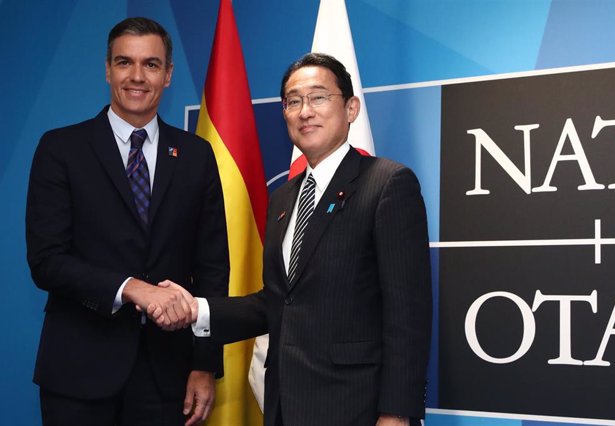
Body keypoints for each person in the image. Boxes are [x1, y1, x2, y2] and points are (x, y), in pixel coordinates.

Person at [152, 52, 432, 426]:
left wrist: (397, 413)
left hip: (356, 407)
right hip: (284, 404)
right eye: (293, 101)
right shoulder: (284, 197)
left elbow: (407, 314)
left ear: (351, 108)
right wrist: (197, 310)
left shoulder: (388, 183)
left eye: (318, 97)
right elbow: (278, 302)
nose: (305, 111)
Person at [26, 17, 229, 426]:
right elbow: (47, 260)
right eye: (124, 62)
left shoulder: (196, 155)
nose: (137, 77)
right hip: (78, 374)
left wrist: (205, 364)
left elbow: (211, 268)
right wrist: (132, 289)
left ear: (169, 74)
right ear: (107, 69)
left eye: (151, 64)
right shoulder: (60, 148)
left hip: (168, 377)